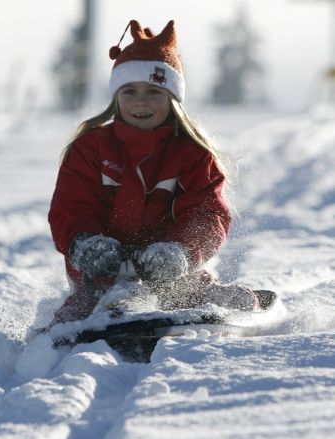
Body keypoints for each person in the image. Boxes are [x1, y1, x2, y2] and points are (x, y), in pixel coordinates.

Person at [48, 19, 260, 324]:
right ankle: (67, 333)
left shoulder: (191, 153)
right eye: (130, 91)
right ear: (116, 97)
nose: (141, 101)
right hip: (101, 272)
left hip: (168, 271)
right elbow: (71, 205)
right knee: (75, 318)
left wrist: (181, 252)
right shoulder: (91, 148)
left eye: (153, 91)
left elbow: (207, 213)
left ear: (173, 99)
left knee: (207, 298)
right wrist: (85, 243)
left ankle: (201, 300)